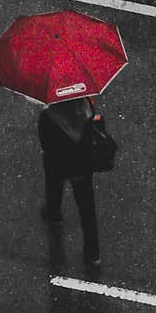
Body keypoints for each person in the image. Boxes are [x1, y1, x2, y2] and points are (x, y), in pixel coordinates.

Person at [38, 96, 101, 267]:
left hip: (57, 164)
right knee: (87, 209)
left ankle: (54, 215)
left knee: (54, 187)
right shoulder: (86, 107)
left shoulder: (48, 115)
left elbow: (44, 140)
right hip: (82, 166)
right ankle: (92, 253)